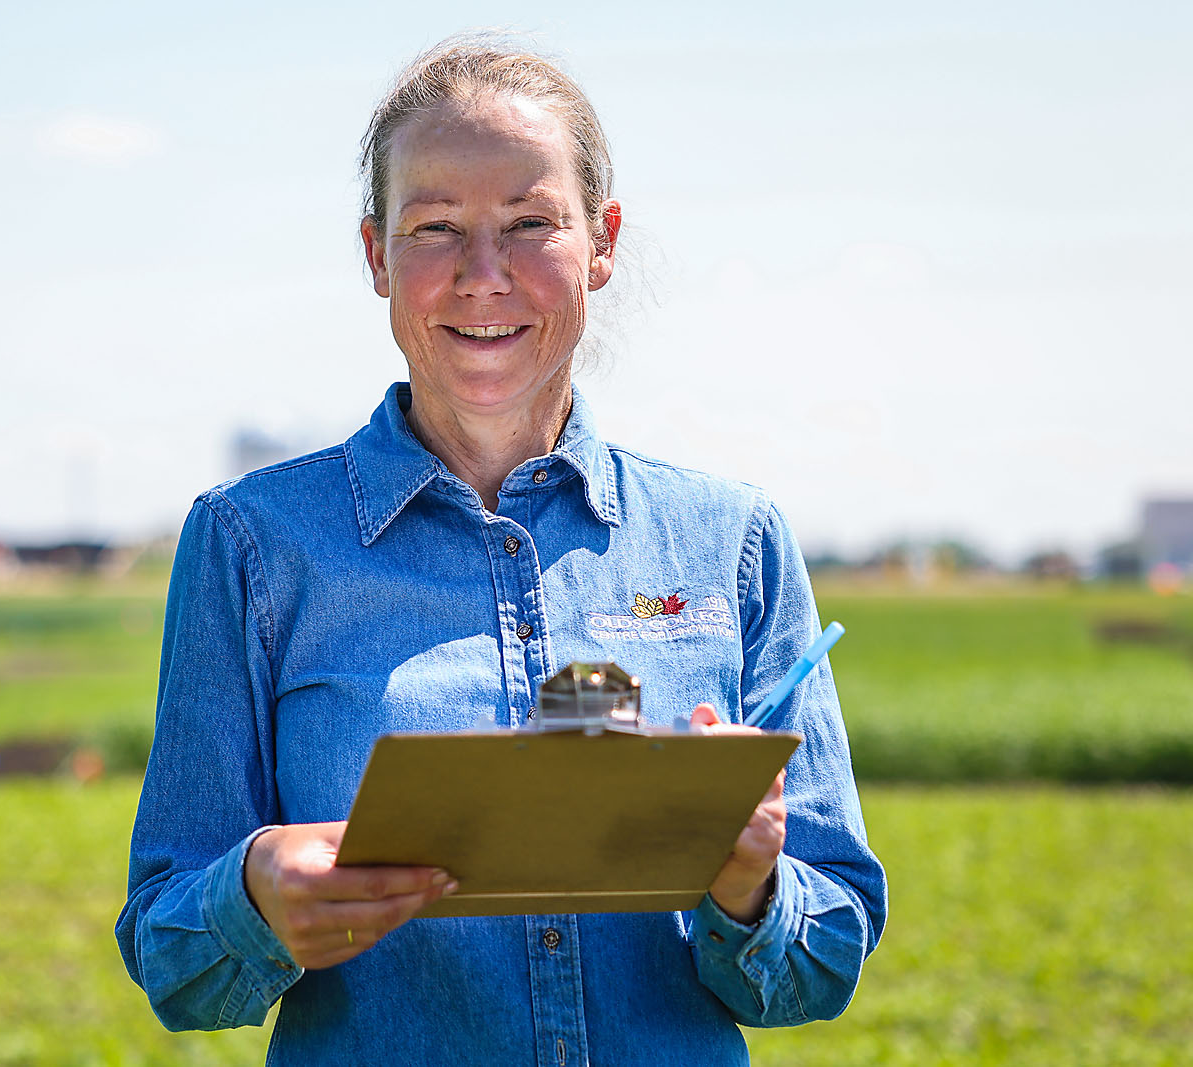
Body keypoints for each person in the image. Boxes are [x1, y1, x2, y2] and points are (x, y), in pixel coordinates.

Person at [117, 34, 886, 1065]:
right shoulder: (253, 544)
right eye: (436, 228)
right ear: (376, 253)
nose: (485, 276)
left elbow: (825, 951)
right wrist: (253, 895)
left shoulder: (732, 541)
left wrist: (748, 882)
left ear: (601, 241)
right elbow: (172, 959)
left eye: (530, 224)